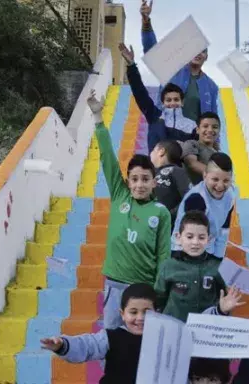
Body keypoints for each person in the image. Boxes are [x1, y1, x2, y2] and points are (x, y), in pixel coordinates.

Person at [86, 90, 172, 329]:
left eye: (145, 179)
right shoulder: (120, 194)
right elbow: (107, 158)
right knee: (112, 339)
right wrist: (98, 117)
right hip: (115, 284)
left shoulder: (160, 212)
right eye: (134, 179)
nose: (139, 184)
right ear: (127, 181)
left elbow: (164, 255)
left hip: (145, 287)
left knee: (141, 343)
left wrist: (159, 291)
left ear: (154, 182)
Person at [40, 283, 232, 383]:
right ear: (122, 314)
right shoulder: (111, 337)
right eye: (133, 312)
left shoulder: (168, 337)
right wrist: (62, 345)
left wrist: (220, 310)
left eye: (147, 312)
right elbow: (87, 346)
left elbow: (197, 330)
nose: (140, 318)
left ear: (157, 312)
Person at [155, 210, 245, 321]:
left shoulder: (219, 265)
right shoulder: (168, 266)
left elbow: (246, 284)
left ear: (209, 239)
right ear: (178, 238)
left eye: (201, 237)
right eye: (189, 237)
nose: (195, 242)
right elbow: (159, 298)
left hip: (206, 329)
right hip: (175, 327)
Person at [139, 0, 219, 122]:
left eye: (202, 51)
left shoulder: (211, 86)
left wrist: (215, 141)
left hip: (194, 139)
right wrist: (146, 22)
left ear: (206, 56)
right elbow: (152, 51)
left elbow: (213, 119)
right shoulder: (172, 69)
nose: (198, 53)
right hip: (167, 135)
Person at [119, 43, 198, 154]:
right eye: (168, 100)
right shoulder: (155, 116)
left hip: (181, 170)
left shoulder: (192, 125)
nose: (172, 103)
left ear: (182, 102)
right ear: (163, 103)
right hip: (156, 169)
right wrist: (131, 65)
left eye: (176, 99)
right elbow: (140, 93)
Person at [173, 153, 236, 259]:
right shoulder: (197, 199)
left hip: (207, 251)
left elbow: (224, 230)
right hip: (184, 253)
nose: (220, 186)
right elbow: (192, 238)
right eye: (215, 179)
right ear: (205, 175)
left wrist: (218, 257)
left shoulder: (230, 196)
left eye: (226, 181)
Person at [150, 139, 192, 219]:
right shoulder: (150, 175)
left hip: (168, 226)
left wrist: (169, 215)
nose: (151, 153)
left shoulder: (176, 171)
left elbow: (189, 197)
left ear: (161, 151)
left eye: (153, 150)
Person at [181, 112, 221, 184]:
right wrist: (218, 175)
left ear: (219, 130)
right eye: (205, 126)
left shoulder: (219, 153)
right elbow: (192, 164)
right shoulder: (191, 144)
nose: (210, 130)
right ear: (197, 130)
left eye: (215, 127)